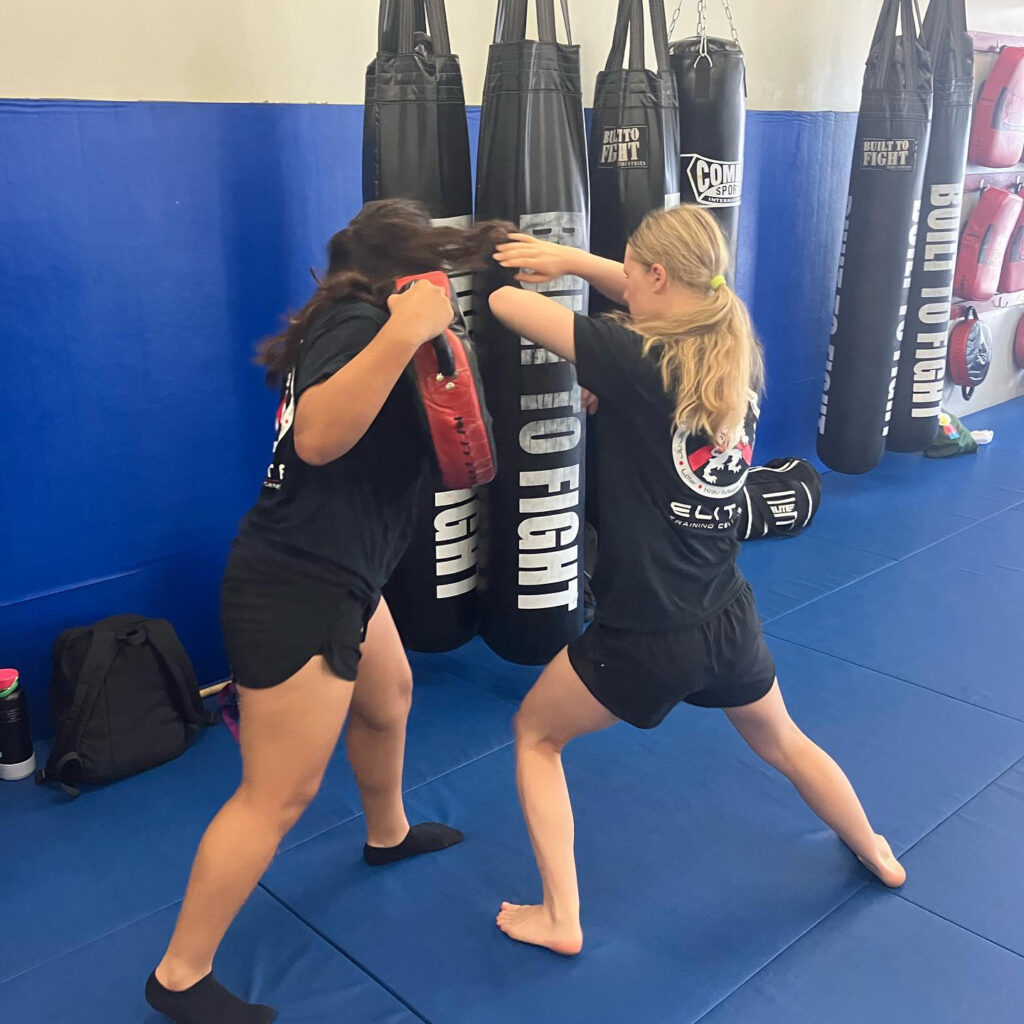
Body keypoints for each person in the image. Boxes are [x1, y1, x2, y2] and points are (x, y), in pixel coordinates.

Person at [488, 204, 906, 957]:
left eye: (630, 272)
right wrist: (591, 276)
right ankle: (876, 848)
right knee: (785, 743)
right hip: (726, 615)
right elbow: (658, 348)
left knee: (534, 736)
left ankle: (561, 917)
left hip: (645, 630)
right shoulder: (728, 346)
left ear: (653, 276)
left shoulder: (632, 357)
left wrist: (565, 266)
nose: (622, 291)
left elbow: (504, 304)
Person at [147, 199, 509, 1024]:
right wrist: (404, 329)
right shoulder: (360, 324)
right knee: (276, 794)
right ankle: (178, 975)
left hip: (345, 574)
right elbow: (316, 436)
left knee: (388, 699)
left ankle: (388, 833)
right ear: (403, 276)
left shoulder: (355, 324)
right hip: (296, 587)